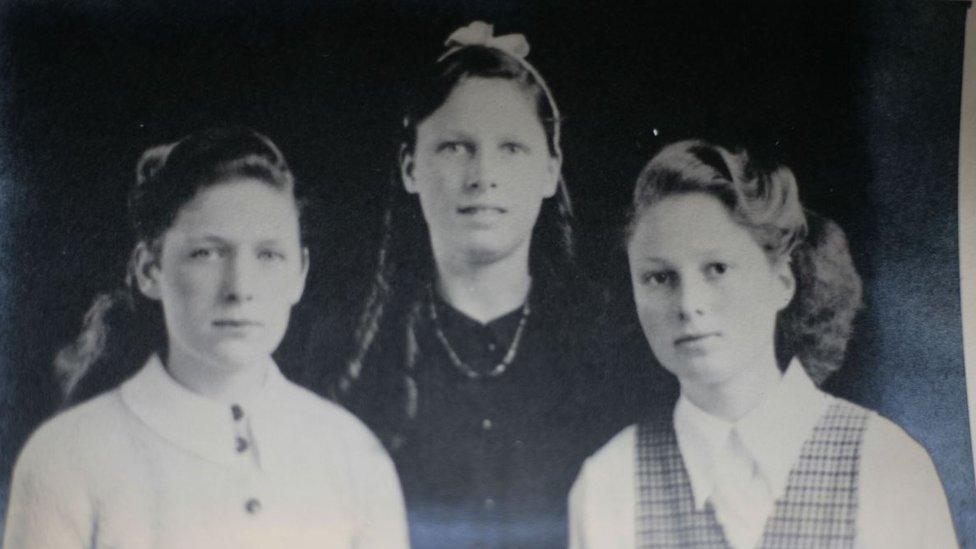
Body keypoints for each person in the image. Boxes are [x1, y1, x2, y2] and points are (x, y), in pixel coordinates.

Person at [306, 22, 657, 549]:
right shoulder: (345, 353)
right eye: (454, 147)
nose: (482, 174)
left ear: (549, 171)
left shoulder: (613, 345)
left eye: (511, 148)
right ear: (409, 168)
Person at [3, 127, 409, 549]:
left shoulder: (354, 456)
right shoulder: (66, 458)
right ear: (149, 270)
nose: (240, 287)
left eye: (269, 255)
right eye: (207, 253)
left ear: (299, 273)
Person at [568, 140, 957, 548]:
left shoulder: (885, 465)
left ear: (781, 282)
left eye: (716, 269)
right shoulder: (610, 484)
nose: (688, 305)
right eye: (659, 278)